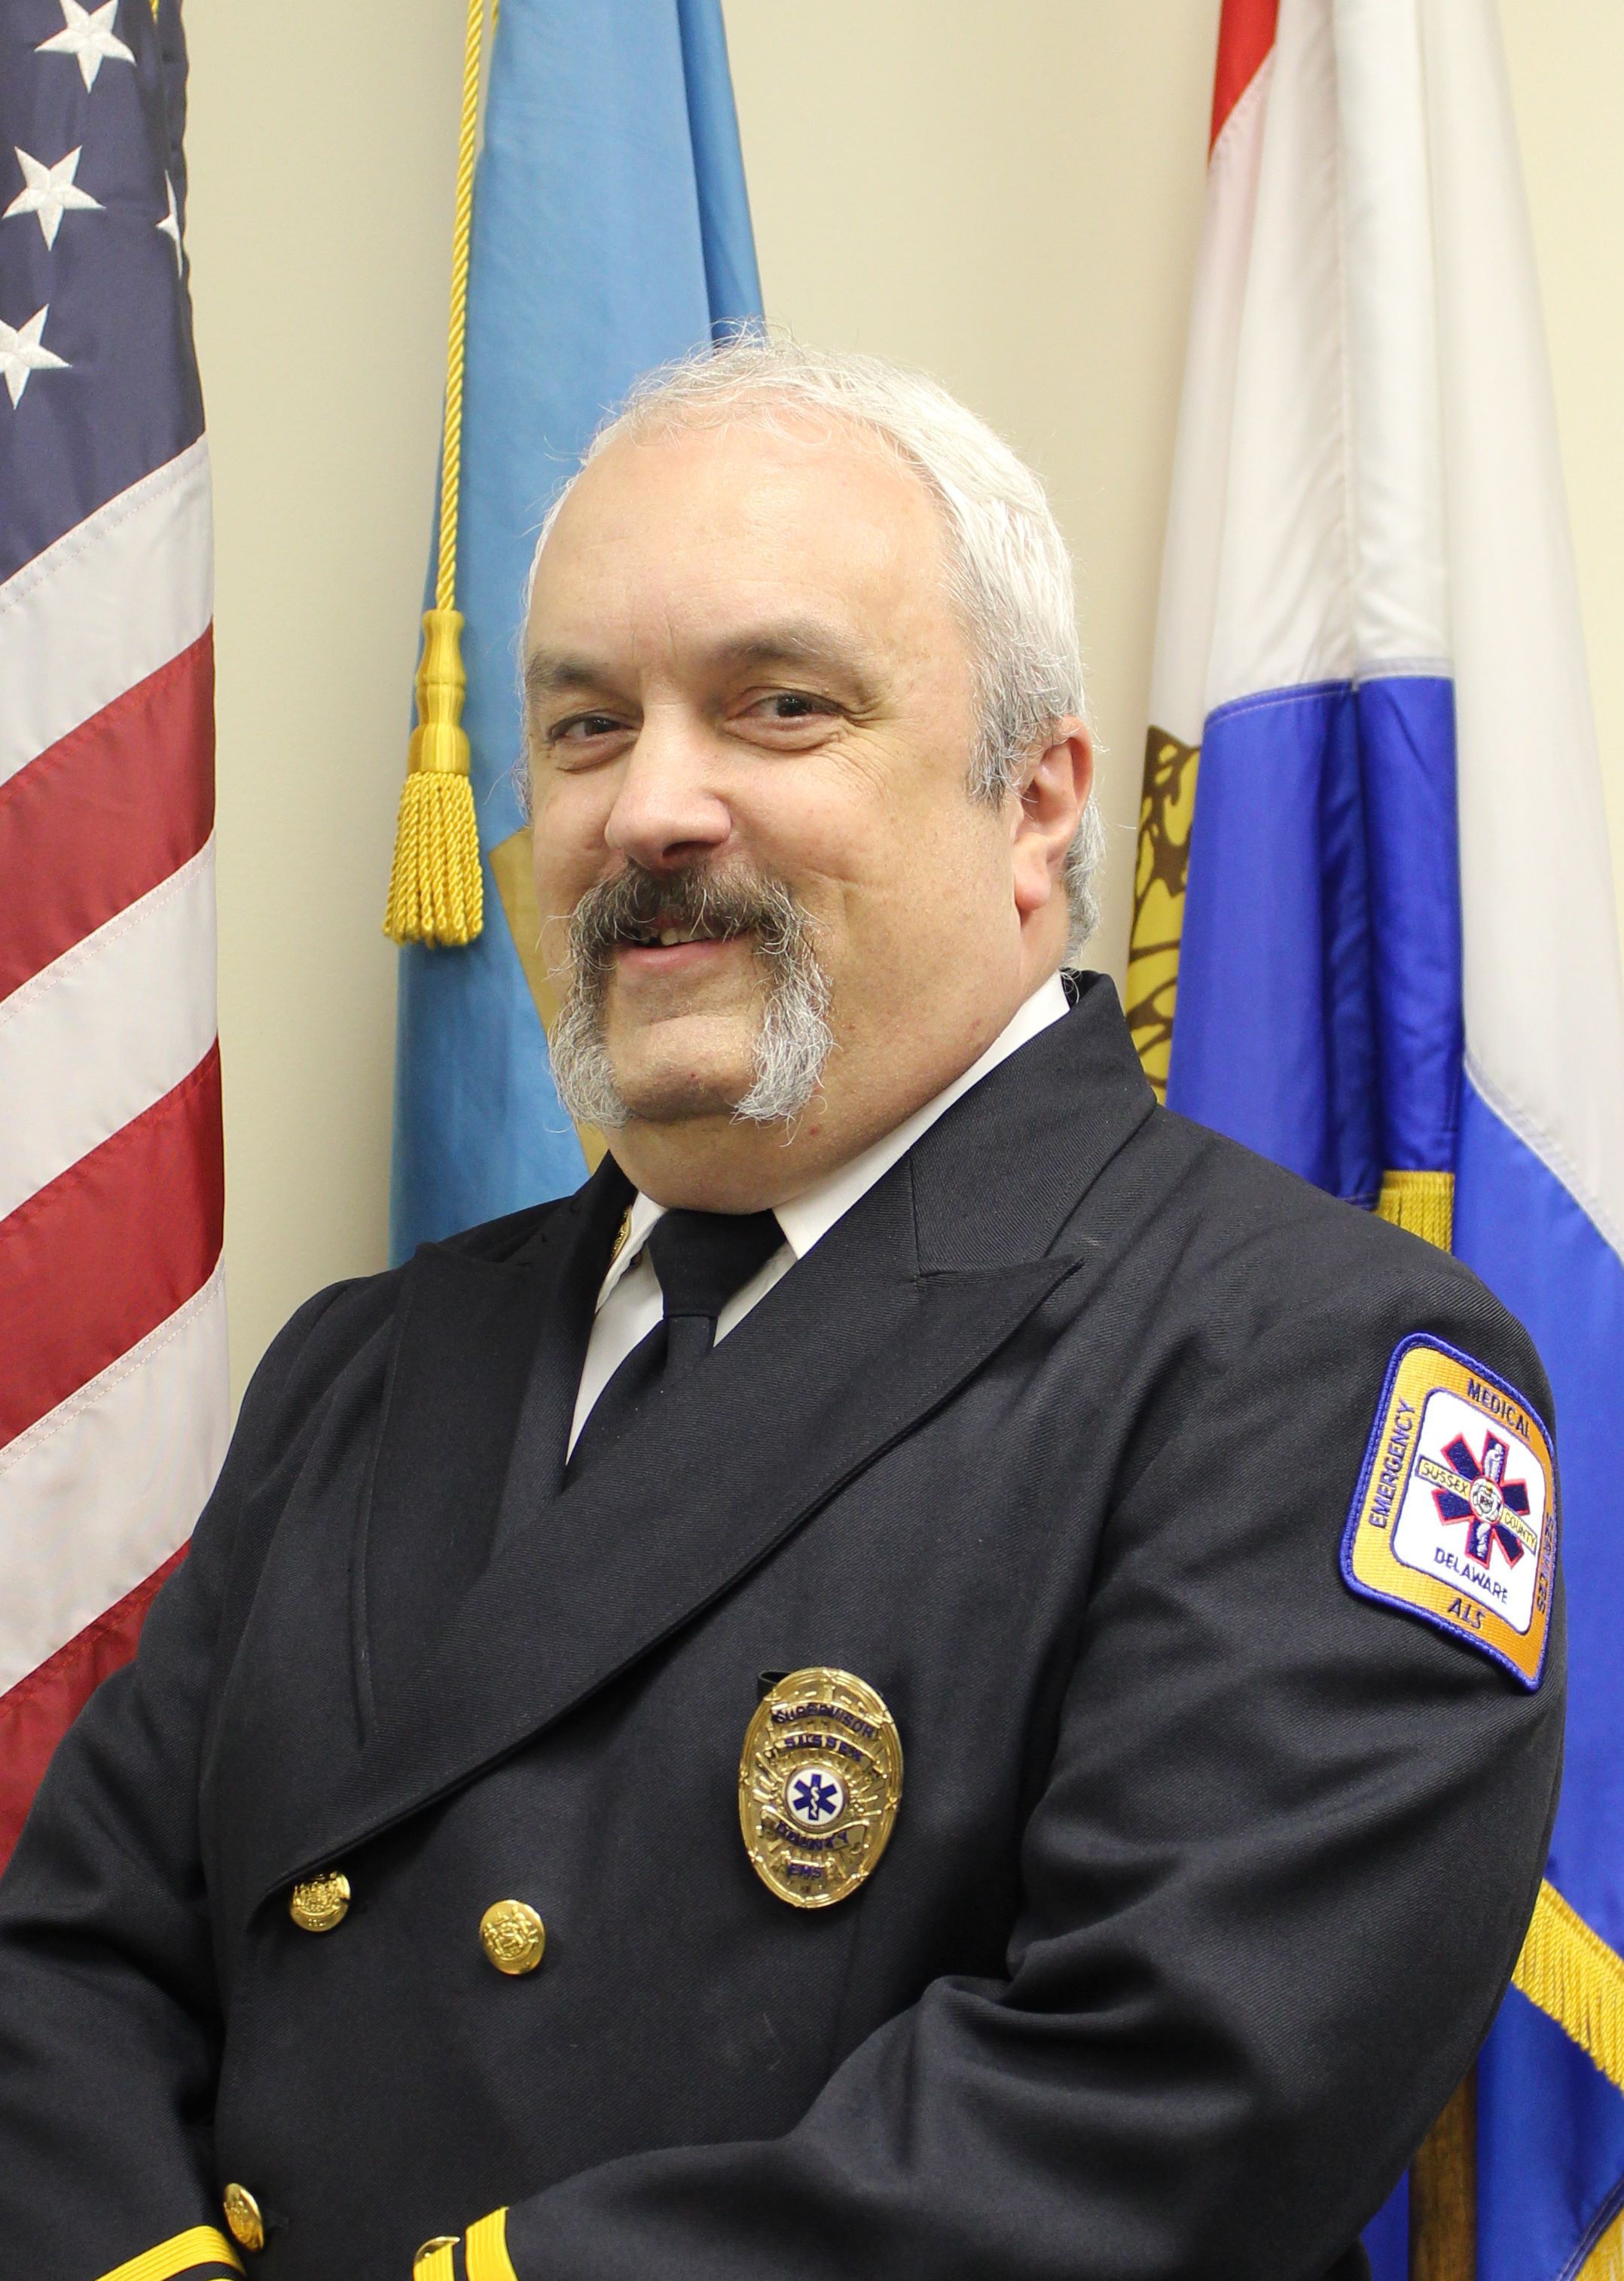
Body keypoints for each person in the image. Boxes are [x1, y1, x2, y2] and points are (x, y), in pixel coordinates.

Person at [0, 337, 1562, 2281]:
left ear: (1036, 802)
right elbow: (71, 1969)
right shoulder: (374, 1362)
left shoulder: (1310, 1365)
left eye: (780, 706)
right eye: (586, 727)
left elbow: (1158, 2111)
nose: (651, 808)